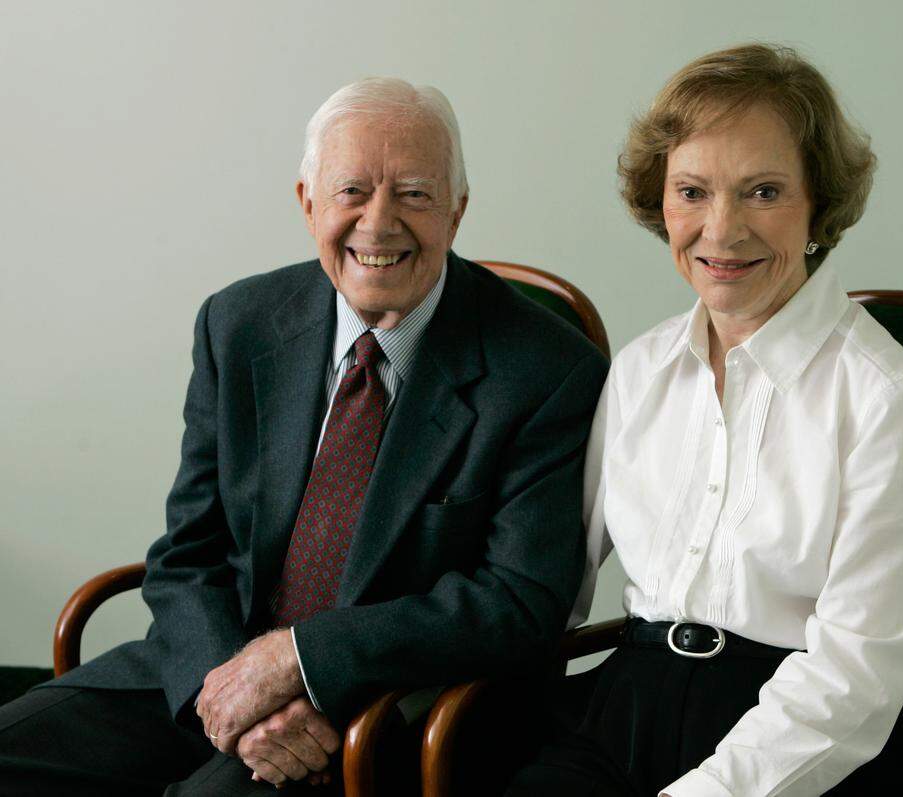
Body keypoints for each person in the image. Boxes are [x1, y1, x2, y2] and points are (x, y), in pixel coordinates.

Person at [0, 77, 608, 795]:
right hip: (208, 669)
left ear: (457, 209)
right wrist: (228, 690)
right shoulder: (239, 322)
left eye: (414, 193)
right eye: (352, 191)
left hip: (388, 704)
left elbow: (517, 601)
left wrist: (299, 659)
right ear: (307, 202)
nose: (378, 223)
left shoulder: (546, 368)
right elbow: (188, 552)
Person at [509, 43, 903, 796]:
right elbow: (554, 583)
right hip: (622, 710)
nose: (721, 229)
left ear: (820, 205)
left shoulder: (886, 396)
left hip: (798, 742)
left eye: (763, 192)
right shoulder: (639, 369)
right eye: (692, 191)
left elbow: (856, 676)